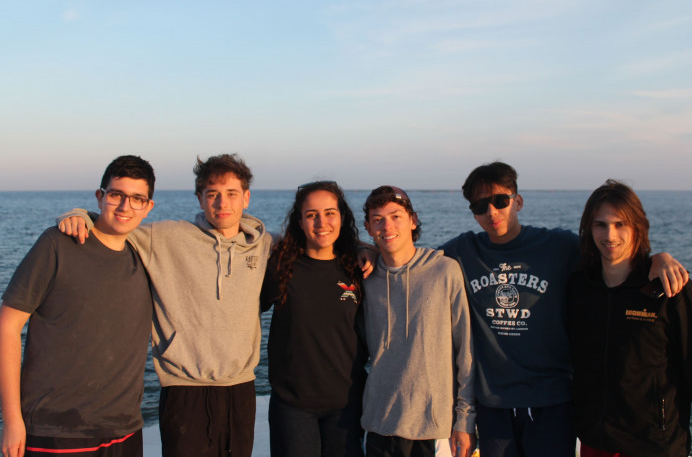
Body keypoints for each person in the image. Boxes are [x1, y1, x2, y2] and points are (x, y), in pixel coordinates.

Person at [439, 162, 689, 456]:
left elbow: (612, 252)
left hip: (552, 401)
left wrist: (657, 258)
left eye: (500, 201)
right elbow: (415, 263)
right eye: (480, 206)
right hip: (493, 404)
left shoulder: (558, 245)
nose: (491, 212)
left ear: (518, 201)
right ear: (473, 213)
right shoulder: (463, 251)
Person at [56, 153, 273, 457]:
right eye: (212, 194)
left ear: (246, 198)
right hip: (183, 389)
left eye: (232, 194)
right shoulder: (166, 237)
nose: (222, 203)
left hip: (241, 388)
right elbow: (117, 225)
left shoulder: (263, 244)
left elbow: (312, 246)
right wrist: (79, 213)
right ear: (199, 199)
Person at [0, 155, 155, 457]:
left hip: (124, 430)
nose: (125, 207)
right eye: (116, 195)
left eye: (137, 199)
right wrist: (12, 420)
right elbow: (7, 326)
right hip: (56, 429)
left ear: (148, 207)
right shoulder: (58, 244)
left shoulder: (146, 256)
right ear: (100, 197)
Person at [568, 180, 692, 457]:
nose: (610, 235)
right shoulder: (579, 288)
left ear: (638, 227)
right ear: (588, 229)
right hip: (594, 441)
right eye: (600, 225)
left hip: (654, 444)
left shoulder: (669, 289)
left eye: (620, 224)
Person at [361, 185, 476, 457]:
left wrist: (465, 419)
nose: (387, 226)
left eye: (396, 216)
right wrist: (358, 248)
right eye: (377, 219)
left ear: (413, 220)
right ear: (368, 228)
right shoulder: (366, 278)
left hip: (433, 427)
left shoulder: (444, 271)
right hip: (378, 423)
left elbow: (466, 352)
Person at [260, 181, 367, 457]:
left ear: (342, 217)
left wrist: (369, 249)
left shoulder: (359, 268)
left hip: (347, 404)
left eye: (330, 213)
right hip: (292, 405)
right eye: (311, 215)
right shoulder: (280, 266)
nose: (321, 223)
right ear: (300, 221)